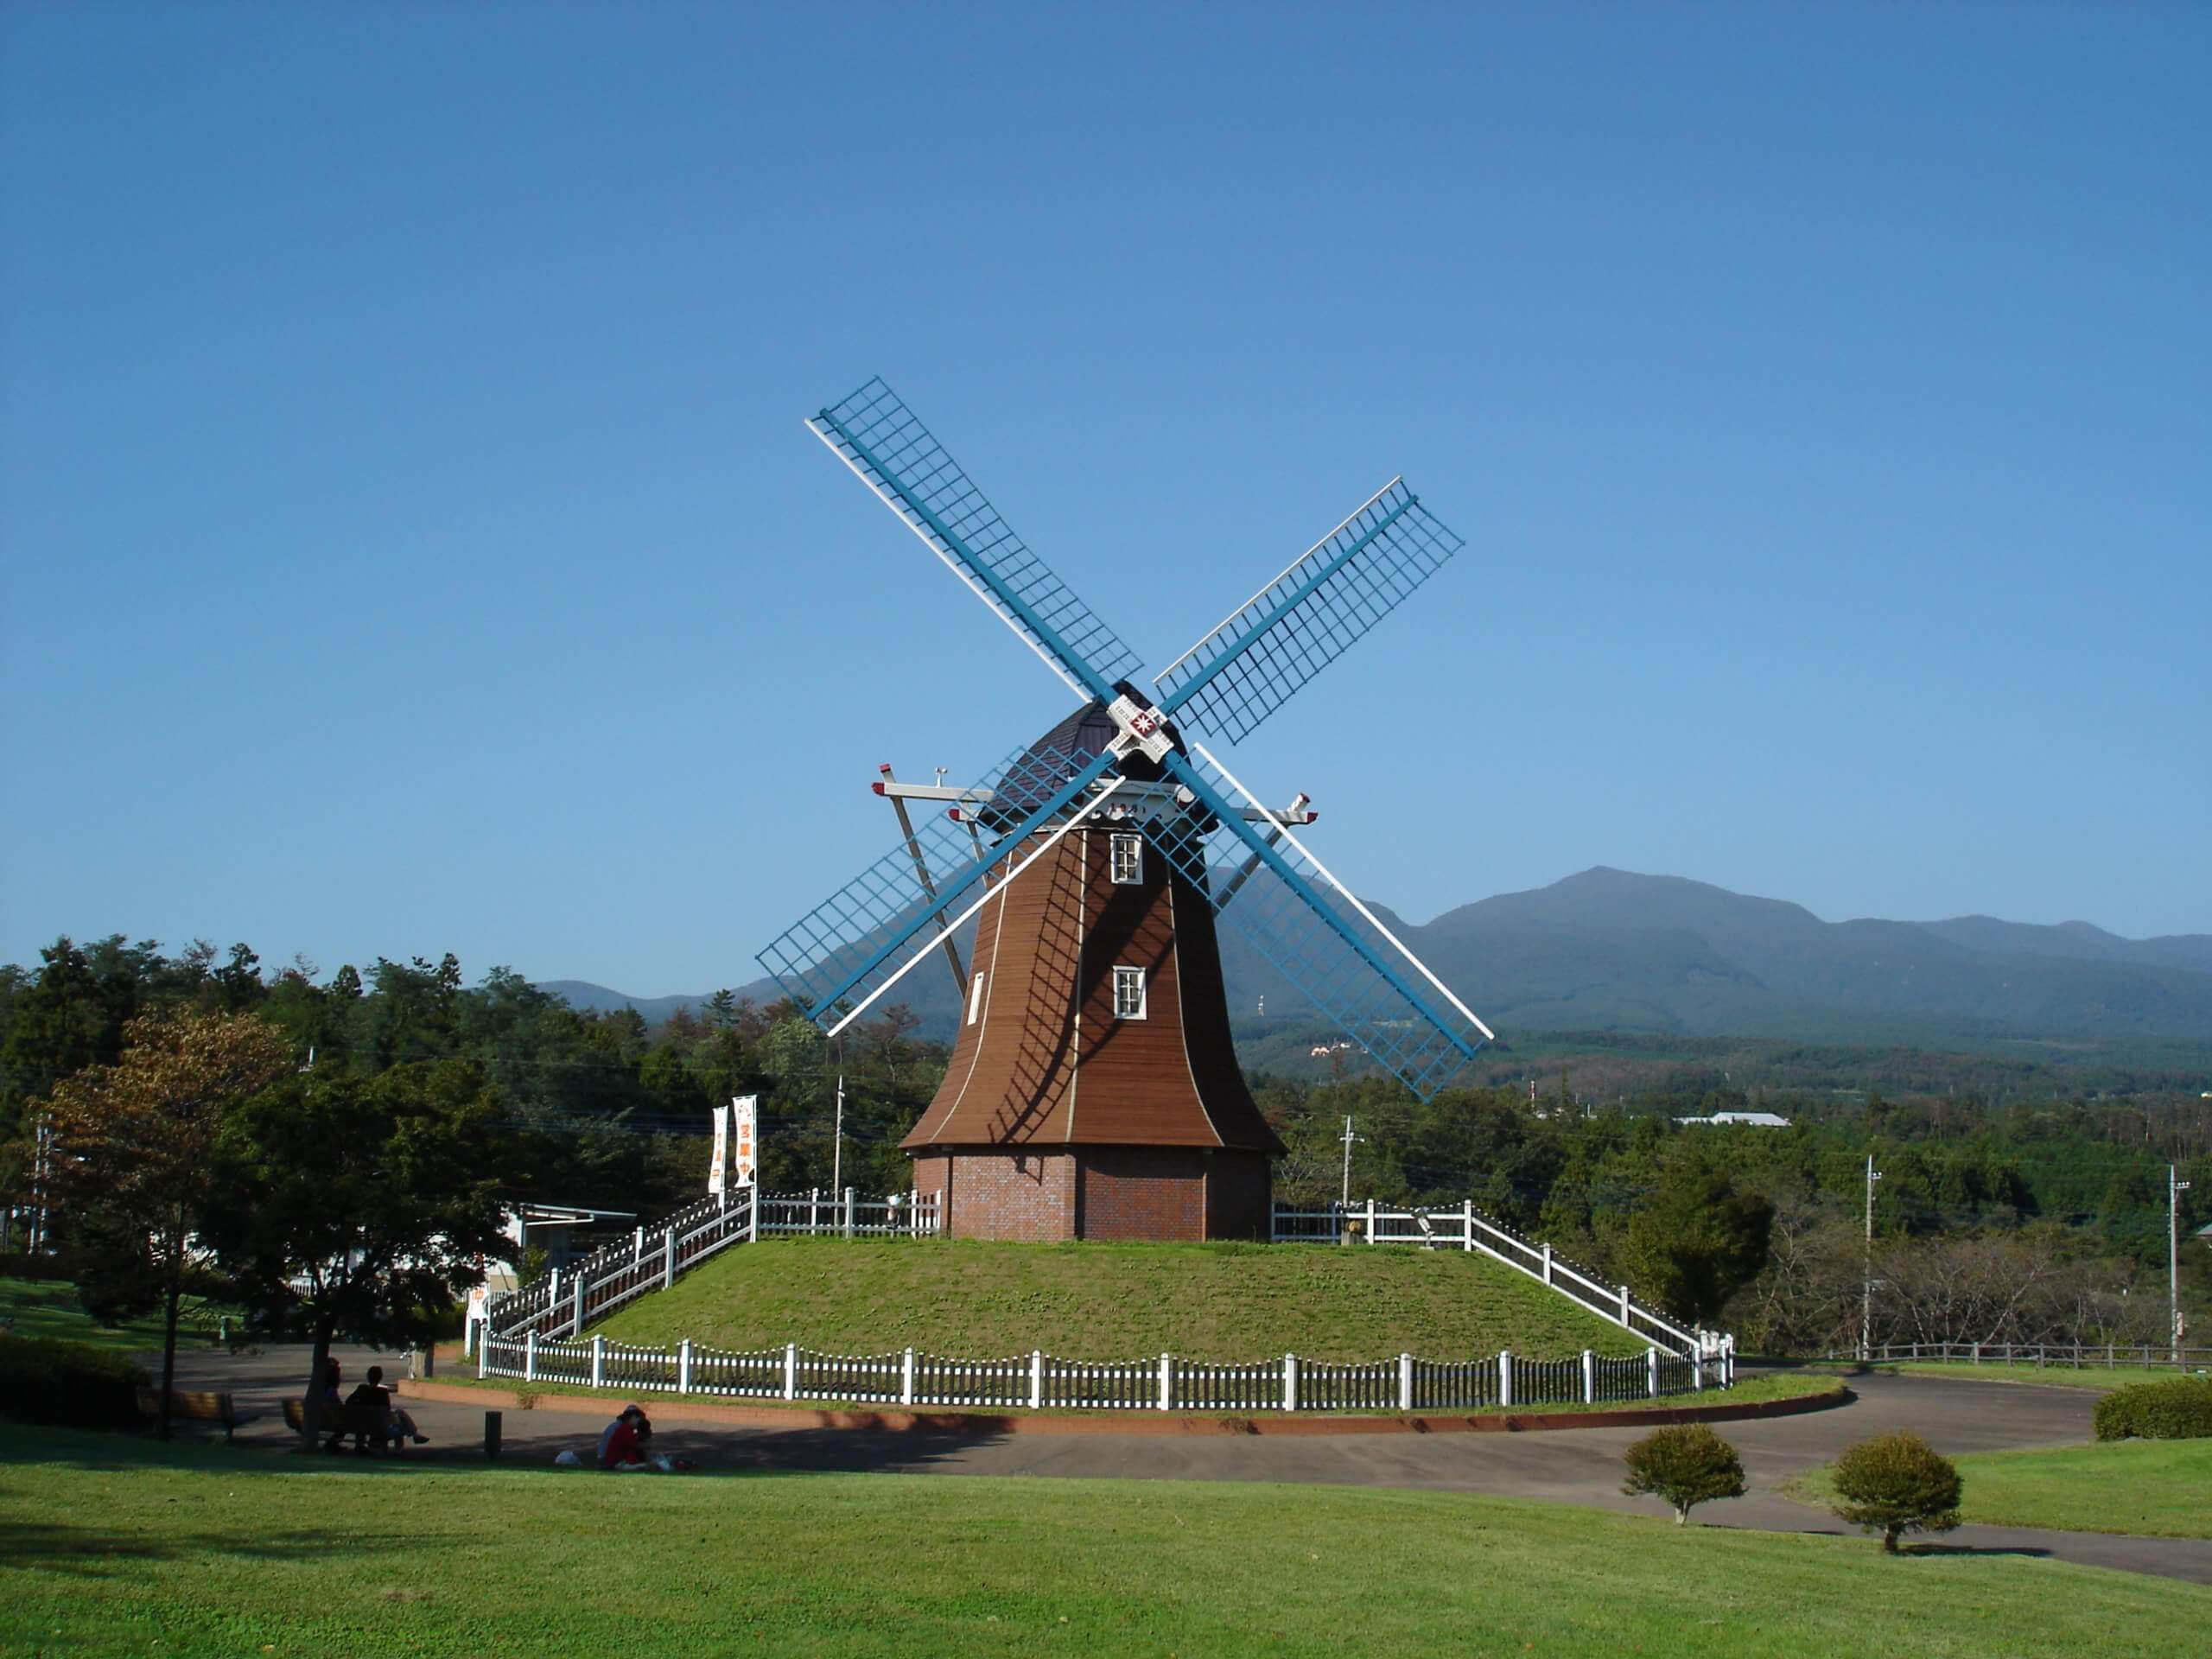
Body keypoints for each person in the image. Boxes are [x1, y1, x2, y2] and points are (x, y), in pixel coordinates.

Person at [364, 1364, 429, 1446]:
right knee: (400, 1420)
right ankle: (414, 1436)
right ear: (380, 1378)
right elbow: (387, 1409)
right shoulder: (382, 1392)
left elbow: (350, 1401)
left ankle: (415, 1435)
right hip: (381, 1426)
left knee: (399, 1413)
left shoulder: (362, 1390)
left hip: (363, 1424)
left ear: (368, 1377)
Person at [597, 1404, 654, 1471]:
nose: (640, 1423)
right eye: (639, 1419)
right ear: (633, 1417)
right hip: (614, 1463)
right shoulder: (626, 1428)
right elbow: (636, 1445)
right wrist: (647, 1442)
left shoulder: (627, 1428)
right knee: (644, 1465)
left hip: (614, 1461)